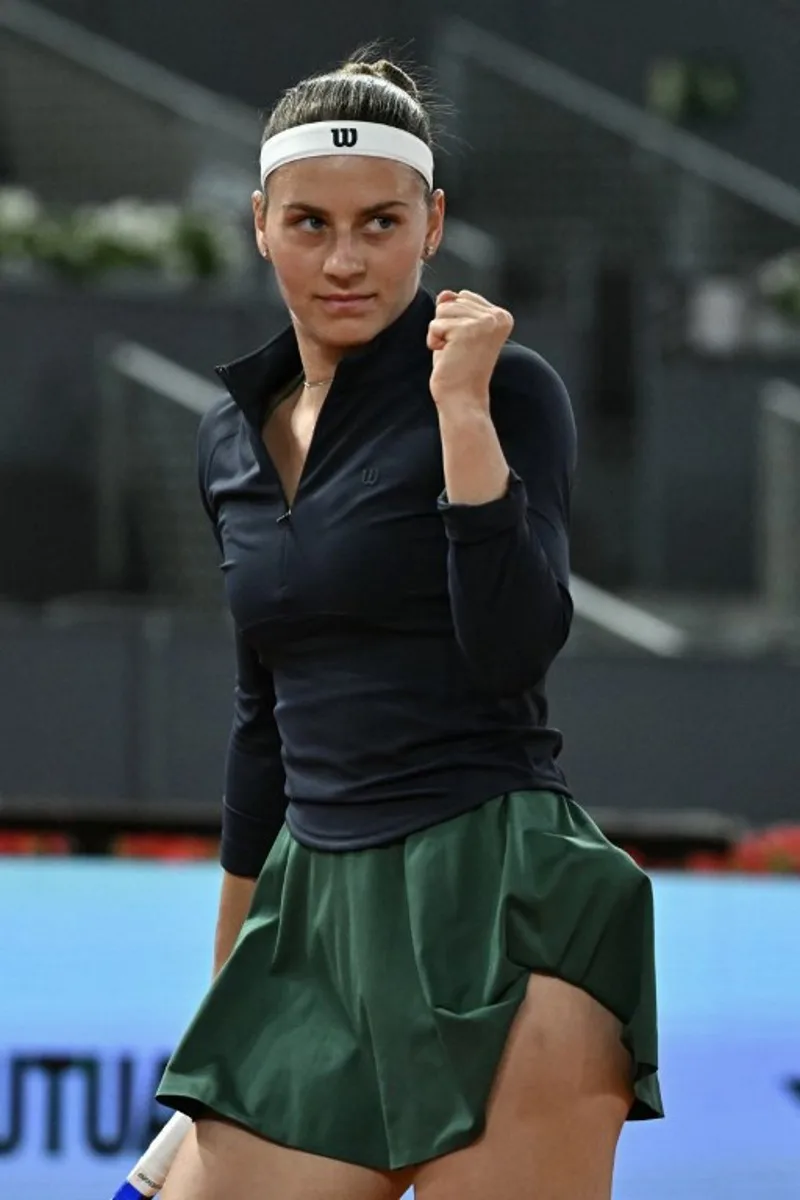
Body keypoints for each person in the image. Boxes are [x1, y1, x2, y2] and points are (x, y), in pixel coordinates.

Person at [156, 49, 662, 1200]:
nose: (344, 259)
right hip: (310, 927)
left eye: (381, 222)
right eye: (311, 224)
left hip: (499, 912)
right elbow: (260, 723)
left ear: (431, 224)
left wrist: (461, 416)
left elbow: (512, 646)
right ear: (259, 224)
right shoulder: (226, 440)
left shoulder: (506, 389)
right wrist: (229, 978)